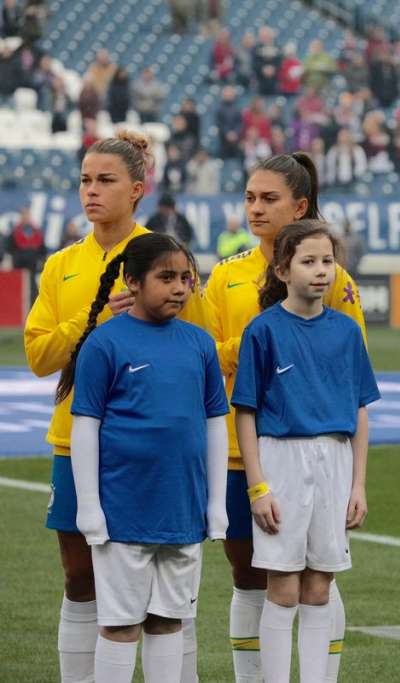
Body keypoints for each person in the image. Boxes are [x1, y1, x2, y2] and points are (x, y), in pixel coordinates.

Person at [23, 131, 208, 683]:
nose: (91, 191)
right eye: (85, 180)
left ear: (137, 189)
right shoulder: (63, 265)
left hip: (157, 448)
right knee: (79, 575)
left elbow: (197, 350)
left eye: (105, 181)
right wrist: (94, 321)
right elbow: (38, 355)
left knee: (166, 581)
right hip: (74, 440)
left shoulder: (167, 259)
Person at [203, 152, 365, 683]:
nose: (255, 208)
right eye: (249, 197)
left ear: (299, 204)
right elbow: (205, 356)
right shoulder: (226, 277)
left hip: (320, 455)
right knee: (251, 576)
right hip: (247, 453)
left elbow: (349, 376)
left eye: (268, 198)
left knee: (319, 577)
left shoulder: (336, 288)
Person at [61, 233, 228, 682]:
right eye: (166, 277)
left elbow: (215, 423)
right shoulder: (105, 343)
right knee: (119, 624)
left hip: (181, 509)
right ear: (132, 282)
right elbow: (85, 426)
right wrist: (90, 506)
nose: (179, 287)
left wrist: (215, 504)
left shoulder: (200, 343)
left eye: (185, 278)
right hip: (123, 511)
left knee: (169, 620)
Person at [233, 220, 379, 683]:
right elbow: (246, 414)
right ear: (282, 270)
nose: (321, 272)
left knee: (320, 584)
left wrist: (357, 484)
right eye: (309, 262)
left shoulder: (347, 332)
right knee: (283, 585)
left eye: (328, 262)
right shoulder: (263, 331)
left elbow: (359, 411)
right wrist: (258, 487)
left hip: (335, 463)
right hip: (282, 462)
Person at [9, 206, 46, 301]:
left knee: (32, 284)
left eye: (27, 215)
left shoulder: (36, 230)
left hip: (32, 263)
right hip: (19, 263)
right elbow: (10, 246)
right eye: (24, 215)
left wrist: (40, 260)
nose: (26, 217)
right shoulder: (15, 231)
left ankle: (32, 304)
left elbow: (42, 248)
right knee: (17, 284)